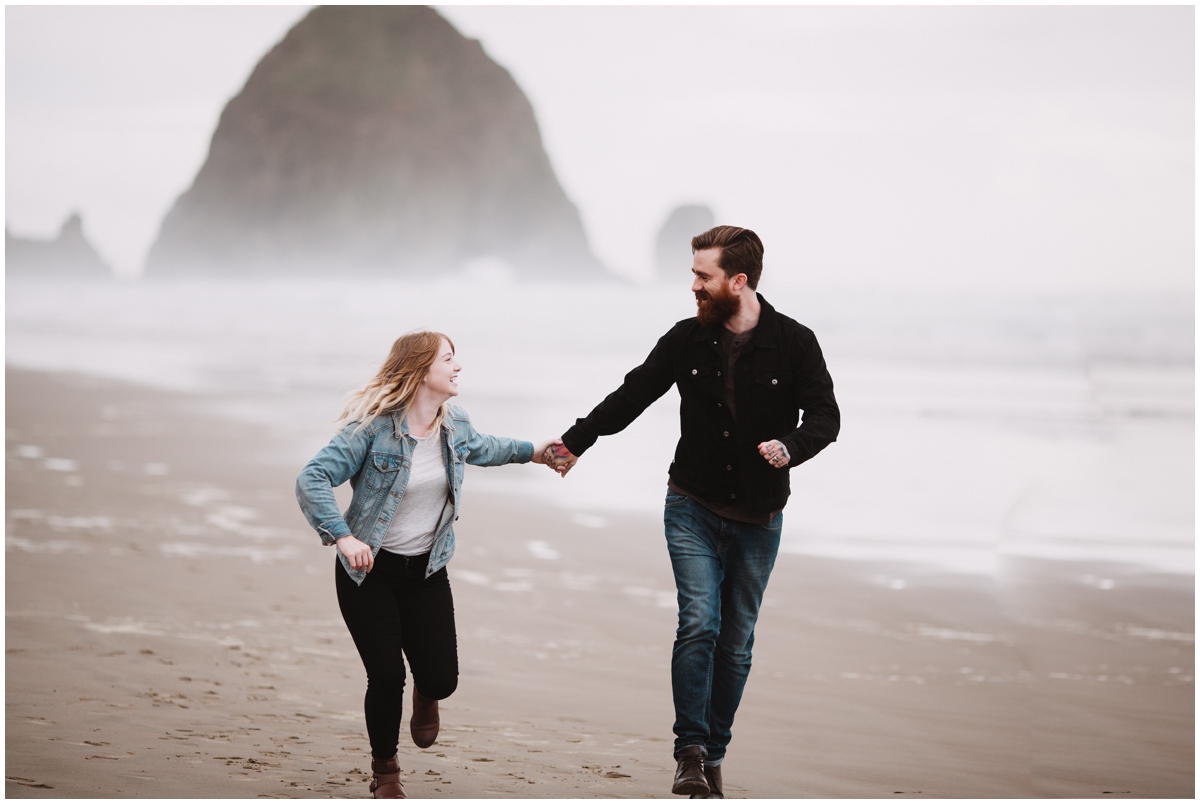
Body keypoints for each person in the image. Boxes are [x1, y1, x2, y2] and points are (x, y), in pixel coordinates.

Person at [547, 225, 840, 798]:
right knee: (700, 621)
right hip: (692, 504)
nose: (694, 287)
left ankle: (715, 753)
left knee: (736, 640)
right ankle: (690, 752)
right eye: (693, 276)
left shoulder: (795, 342)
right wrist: (574, 442)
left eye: (703, 277)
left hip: (759, 516)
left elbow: (826, 417)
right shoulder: (686, 339)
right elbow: (633, 394)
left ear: (739, 280)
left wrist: (792, 447)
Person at [296, 331, 562, 799]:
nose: (458, 367)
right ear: (422, 370)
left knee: (441, 678)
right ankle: (386, 772)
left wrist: (535, 452)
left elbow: (485, 447)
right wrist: (343, 535)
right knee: (386, 676)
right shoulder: (371, 428)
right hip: (369, 572)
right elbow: (312, 477)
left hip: (425, 572)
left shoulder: (454, 423)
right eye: (449, 359)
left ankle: (427, 695)